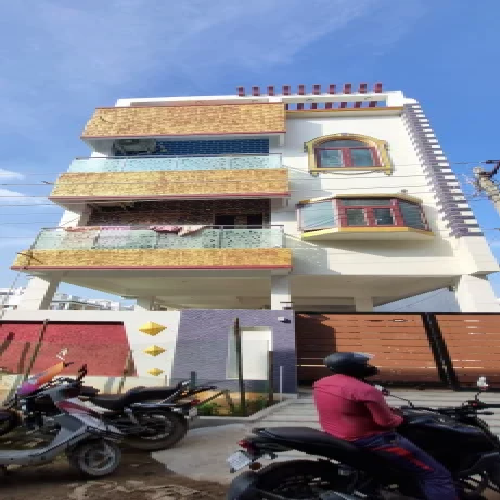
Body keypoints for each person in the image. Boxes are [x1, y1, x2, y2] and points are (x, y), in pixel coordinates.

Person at [312, 352, 458, 500]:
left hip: (337, 433)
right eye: (364, 364)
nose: (368, 366)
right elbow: (387, 422)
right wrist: (401, 419)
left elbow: (346, 407)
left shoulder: (322, 383)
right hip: (370, 440)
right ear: (353, 367)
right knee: (437, 475)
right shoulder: (366, 390)